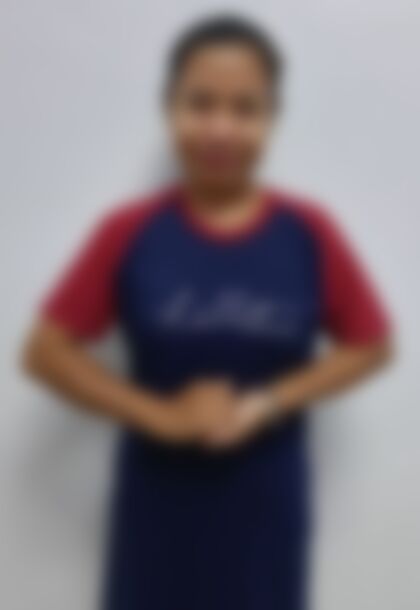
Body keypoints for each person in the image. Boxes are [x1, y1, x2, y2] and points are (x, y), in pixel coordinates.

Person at [23, 14, 392, 610]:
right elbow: (44, 351)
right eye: (200, 104)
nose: (220, 127)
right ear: (170, 109)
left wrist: (267, 403)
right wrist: (159, 414)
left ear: (271, 118)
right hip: (157, 507)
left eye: (245, 109)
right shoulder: (130, 230)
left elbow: (371, 345)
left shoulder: (307, 231)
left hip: (265, 507)